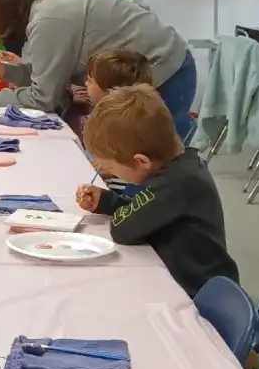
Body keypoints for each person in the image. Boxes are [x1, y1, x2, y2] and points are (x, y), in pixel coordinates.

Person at [0, 0, 198, 141]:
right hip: (156, 69)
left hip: (166, 72)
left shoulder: (50, 18)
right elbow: (44, 75)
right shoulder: (48, 6)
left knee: (152, 169)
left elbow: (43, 98)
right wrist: (3, 71)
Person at [75, 86, 239, 297]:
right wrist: (107, 202)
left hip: (196, 294)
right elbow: (150, 210)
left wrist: (117, 210)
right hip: (188, 281)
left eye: (111, 168)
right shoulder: (179, 168)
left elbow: (123, 229)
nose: (109, 173)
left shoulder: (178, 183)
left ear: (141, 161)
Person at [64, 47, 154, 137]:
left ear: (109, 90)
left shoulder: (112, 128)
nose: (86, 83)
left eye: (90, 80)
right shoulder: (138, 119)